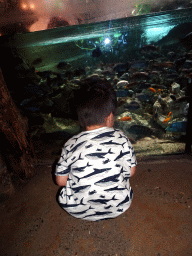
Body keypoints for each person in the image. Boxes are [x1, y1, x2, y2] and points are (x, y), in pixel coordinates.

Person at [55, 77, 137, 221]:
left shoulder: (70, 144)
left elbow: (60, 182)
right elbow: (131, 172)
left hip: (77, 210)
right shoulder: (122, 138)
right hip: (120, 206)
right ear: (110, 115)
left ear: (80, 118)